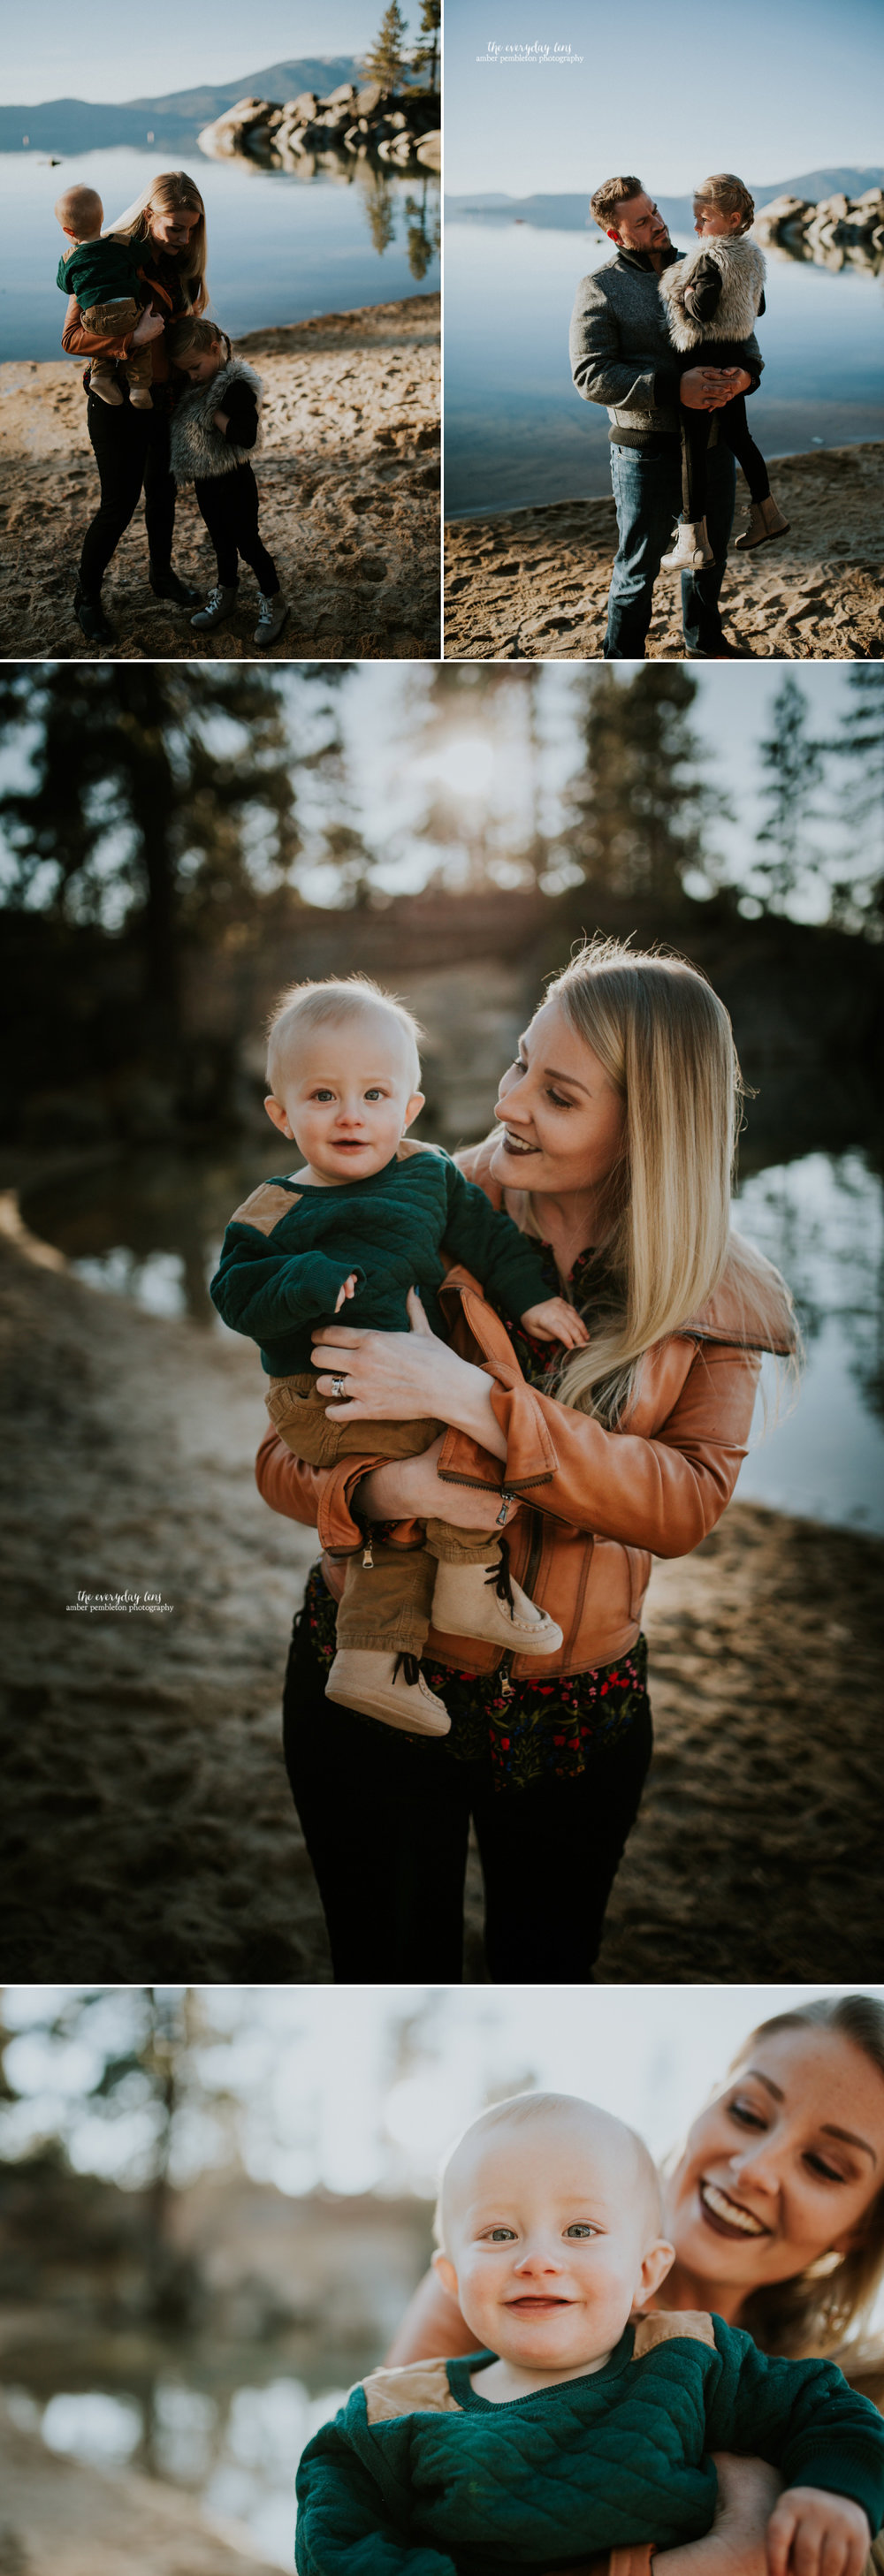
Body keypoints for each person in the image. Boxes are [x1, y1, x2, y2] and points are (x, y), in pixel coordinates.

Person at [255, 939, 796, 1982]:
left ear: (646, 1126)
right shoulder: (408, 1205)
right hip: (373, 1682)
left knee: (549, 1971)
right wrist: (381, 1488)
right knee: (383, 1971)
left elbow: (685, 1505)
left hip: (580, 1721)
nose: (510, 1103)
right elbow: (284, 1456)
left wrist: (477, 1403)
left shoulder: (724, 1289)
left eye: (556, 1092)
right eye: (516, 1064)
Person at [294, 2086, 884, 2576]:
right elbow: (334, 2529)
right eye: (500, 2234)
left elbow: (826, 2406)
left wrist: (835, 2490)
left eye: (580, 2229)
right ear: (450, 2276)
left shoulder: (691, 2358)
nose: (538, 2258)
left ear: (646, 2270)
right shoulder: (395, 2410)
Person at [211, 976, 586, 1734]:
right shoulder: (273, 1206)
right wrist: (304, 1279)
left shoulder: (430, 1173)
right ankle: (419, 1621)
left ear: (410, 1108)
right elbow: (234, 1293)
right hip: (323, 1392)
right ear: (282, 1114)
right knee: (420, 1477)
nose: (351, 1114)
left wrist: (532, 1298)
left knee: (447, 1458)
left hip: (409, 1383)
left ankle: (421, 1619)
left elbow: (489, 1240)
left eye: (374, 1094)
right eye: (322, 1096)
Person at [569, 176, 765, 659]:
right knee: (637, 569)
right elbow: (589, 374)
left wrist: (744, 377)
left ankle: (704, 644)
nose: (659, 223)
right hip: (644, 454)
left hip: (715, 443)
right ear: (617, 234)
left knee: (708, 557)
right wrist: (673, 388)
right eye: (642, 220)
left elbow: (747, 339)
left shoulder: (702, 263)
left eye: (655, 210)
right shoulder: (600, 287)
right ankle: (623, 655)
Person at [60, 171, 208, 645]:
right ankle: (87, 598)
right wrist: (131, 339)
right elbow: (72, 338)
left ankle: (161, 578)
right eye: (175, 229)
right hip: (116, 400)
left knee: (163, 494)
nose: (184, 240)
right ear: (150, 216)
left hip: (167, 400)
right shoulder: (108, 255)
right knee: (119, 504)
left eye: (192, 229)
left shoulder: (185, 266)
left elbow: (185, 333)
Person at [659, 176, 789, 572]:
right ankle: (769, 513)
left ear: (732, 219)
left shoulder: (708, 257)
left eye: (704, 218)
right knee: (740, 438)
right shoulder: (752, 257)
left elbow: (701, 309)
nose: (697, 227)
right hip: (733, 360)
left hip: (703, 363)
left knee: (693, 450)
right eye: (695, 218)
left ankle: (693, 540)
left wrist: (682, 289)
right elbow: (758, 308)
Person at [165, 315, 289, 650]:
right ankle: (227, 594)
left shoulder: (233, 387)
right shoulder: (200, 384)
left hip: (235, 481)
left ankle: (274, 602)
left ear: (215, 348)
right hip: (208, 481)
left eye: (195, 367)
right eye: (186, 372)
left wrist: (213, 414)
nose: (192, 376)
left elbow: (247, 436)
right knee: (220, 542)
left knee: (248, 544)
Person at [54, 186, 152, 408]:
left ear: (68, 231)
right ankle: (139, 388)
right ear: (102, 218)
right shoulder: (119, 243)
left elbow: (65, 286)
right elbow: (143, 255)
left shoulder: (69, 258)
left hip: (93, 317)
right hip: (127, 311)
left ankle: (100, 378)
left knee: (101, 343)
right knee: (141, 347)